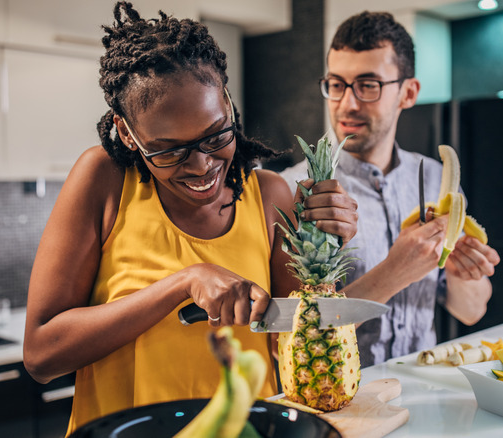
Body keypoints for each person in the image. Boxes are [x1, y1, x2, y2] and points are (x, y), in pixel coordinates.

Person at [22, 2, 358, 434]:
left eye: (217, 134)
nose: (201, 165)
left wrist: (330, 241)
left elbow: (299, 343)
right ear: (127, 133)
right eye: (168, 149)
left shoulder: (271, 196)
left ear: (228, 105)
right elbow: (41, 356)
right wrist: (184, 282)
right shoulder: (103, 180)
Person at [281, 11, 501, 367]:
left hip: (426, 390)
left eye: (368, 85)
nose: (347, 103)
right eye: (336, 84)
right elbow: (293, 329)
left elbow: (470, 311)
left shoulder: (435, 179)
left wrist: (463, 273)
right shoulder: (296, 189)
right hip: (342, 401)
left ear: (408, 92)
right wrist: (395, 271)